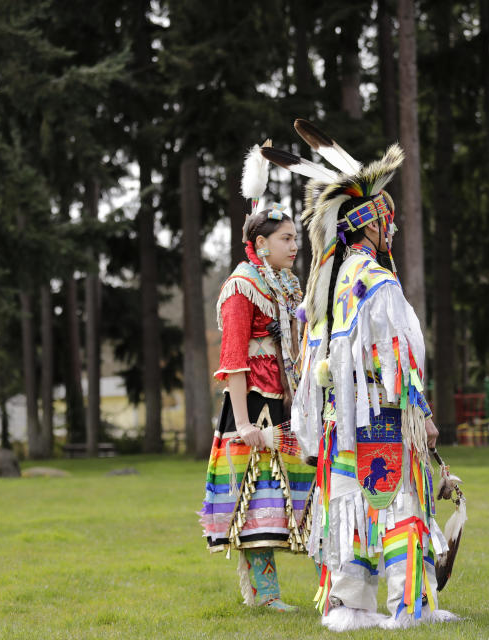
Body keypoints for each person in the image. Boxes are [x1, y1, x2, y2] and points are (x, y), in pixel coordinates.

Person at [260, 119, 458, 631]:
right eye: (387, 221)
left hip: (338, 422)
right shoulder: (375, 281)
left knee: (351, 508)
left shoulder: (328, 287)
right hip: (381, 414)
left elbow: (312, 366)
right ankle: (411, 608)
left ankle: (349, 607)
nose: (391, 230)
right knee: (399, 506)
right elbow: (396, 357)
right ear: (371, 225)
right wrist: (422, 416)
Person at [198, 146, 314, 612]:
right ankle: (265, 597)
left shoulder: (287, 287)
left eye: (295, 239)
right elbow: (234, 362)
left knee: (289, 493)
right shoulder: (241, 287)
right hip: (253, 409)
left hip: (285, 402)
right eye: (286, 238)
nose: (294, 246)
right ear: (261, 242)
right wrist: (244, 424)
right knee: (258, 499)